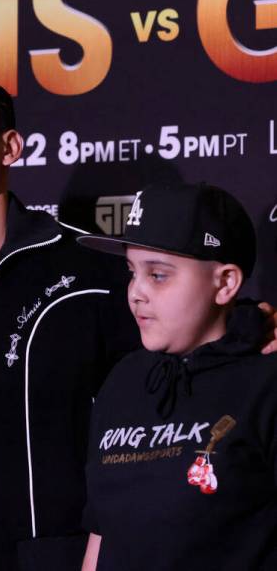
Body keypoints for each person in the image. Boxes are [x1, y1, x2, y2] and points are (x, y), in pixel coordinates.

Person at [0, 62, 276, 571]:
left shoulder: (88, 272)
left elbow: (185, 362)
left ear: (10, 147)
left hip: (63, 555)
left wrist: (249, 325)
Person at [78, 183, 277, 571]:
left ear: (225, 283)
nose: (136, 292)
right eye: (132, 272)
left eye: (158, 275)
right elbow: (100, 540)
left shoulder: (266, 384)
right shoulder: (124, 380)